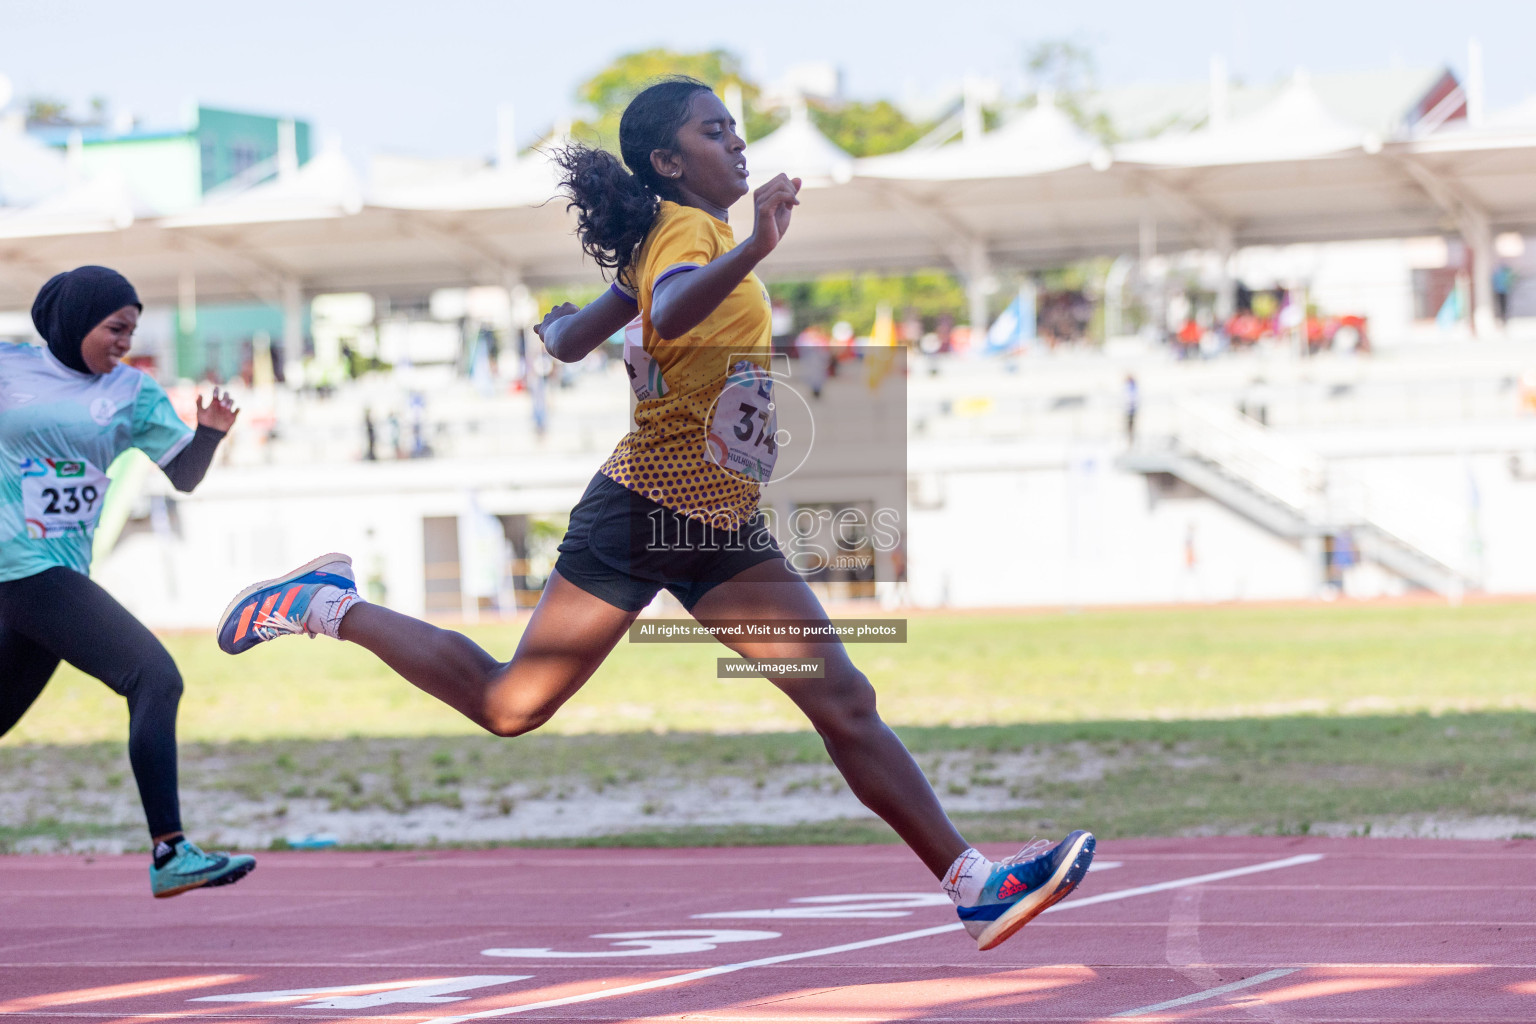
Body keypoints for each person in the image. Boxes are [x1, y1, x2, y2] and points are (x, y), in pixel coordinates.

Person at [214, 78, 1093, 951]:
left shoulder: (670, 239)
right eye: (716, 131)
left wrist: (561, 327)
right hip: (641, 510)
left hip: (723, 521)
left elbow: (576, 338)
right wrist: (754, 248)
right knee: (511, 704)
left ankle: (973, 887)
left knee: (845, 701)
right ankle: (324, 602)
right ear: (669, 161)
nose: (738, 143)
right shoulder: (689, 236)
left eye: (736, 129)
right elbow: (670, 309)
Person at [0, 266, 254, 898]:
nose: (124, 341)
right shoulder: (8, 368)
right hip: (19, 568)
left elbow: (185, 475)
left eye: (133, 330)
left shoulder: (132, 393)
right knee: (154, 676)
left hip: (58, 572)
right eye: (115, 328)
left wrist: (211, 436)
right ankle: (171, 851)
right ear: (75, 320)